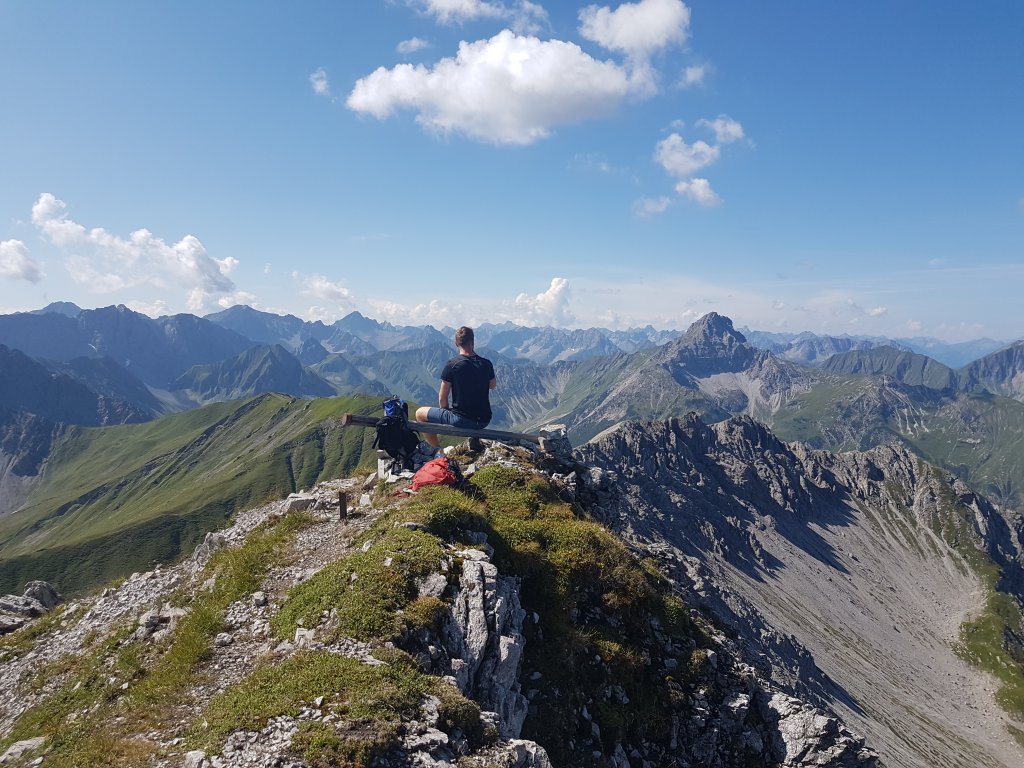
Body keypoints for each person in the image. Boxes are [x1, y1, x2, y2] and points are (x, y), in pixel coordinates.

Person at [415, 326, 496, 449]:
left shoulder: (453, 365)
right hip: (484, 419)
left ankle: (438, 451)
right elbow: (493, 385)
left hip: (461, 420)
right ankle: (474, 442)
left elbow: (442, 399)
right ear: (473, 341)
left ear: (456, 343)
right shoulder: (487, 364)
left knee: (420, 413)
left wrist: (446, 413)